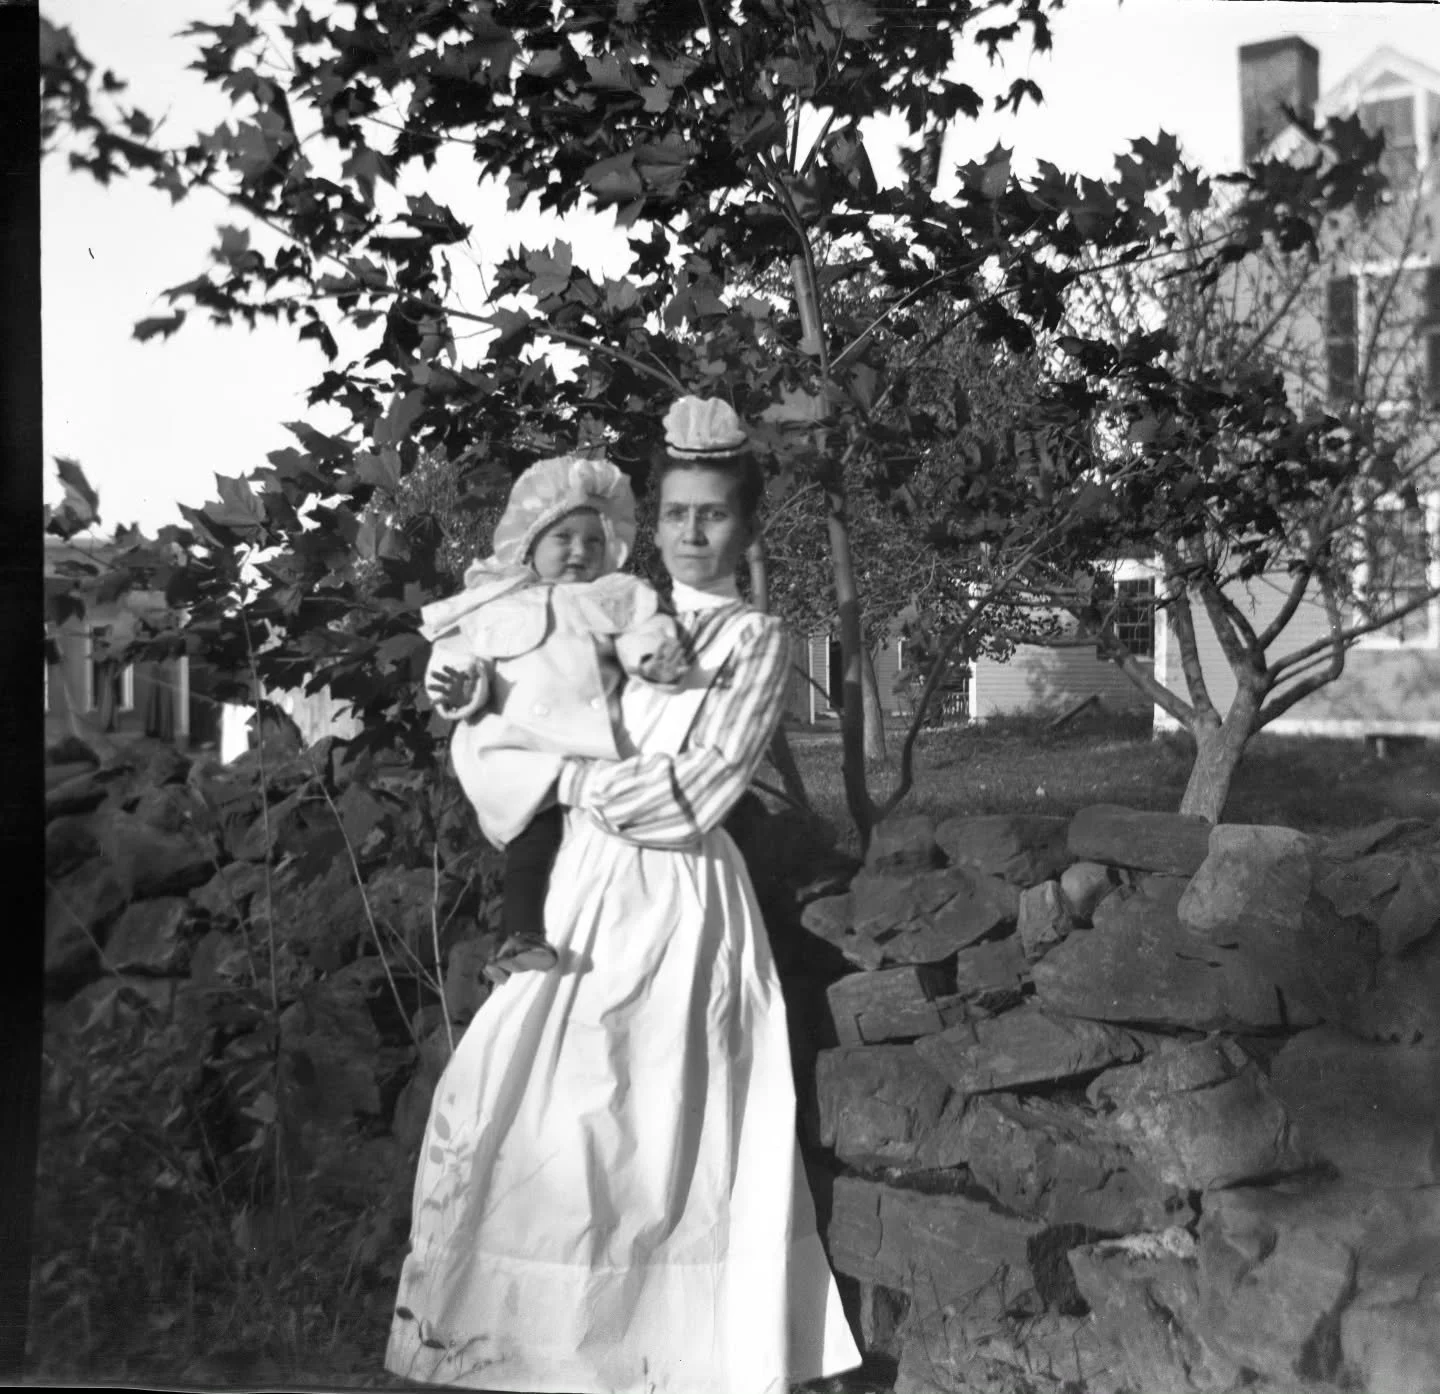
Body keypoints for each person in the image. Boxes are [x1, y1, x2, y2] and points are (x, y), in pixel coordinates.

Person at [386, 395, 863, 1394]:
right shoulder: (606, 600)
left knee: (649, 1123)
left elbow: (699, 785)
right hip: (579, 883)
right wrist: (481, 702)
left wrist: (570, 778)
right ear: (654, 519)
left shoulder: (752, 637)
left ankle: (674, 1358)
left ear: (747, 526)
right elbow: (523, 692)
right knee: (533, 1112)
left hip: (675, 893)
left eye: (716, 514)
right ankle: (524, 1352)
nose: (693, 532)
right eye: (677, 512)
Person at [420, 454, 690, 976]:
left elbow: (644, 636)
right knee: (535, 833)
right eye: (563, 538)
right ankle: (519, 934)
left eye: (593, 541)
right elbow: (458, 657)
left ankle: (638, 947)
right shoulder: (493, 603)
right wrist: (460, 688)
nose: (579, 551)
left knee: (628, 830)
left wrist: (656, 660)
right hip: (520, 747)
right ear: (530, 543)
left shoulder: (616, 597)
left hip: (598, 743)